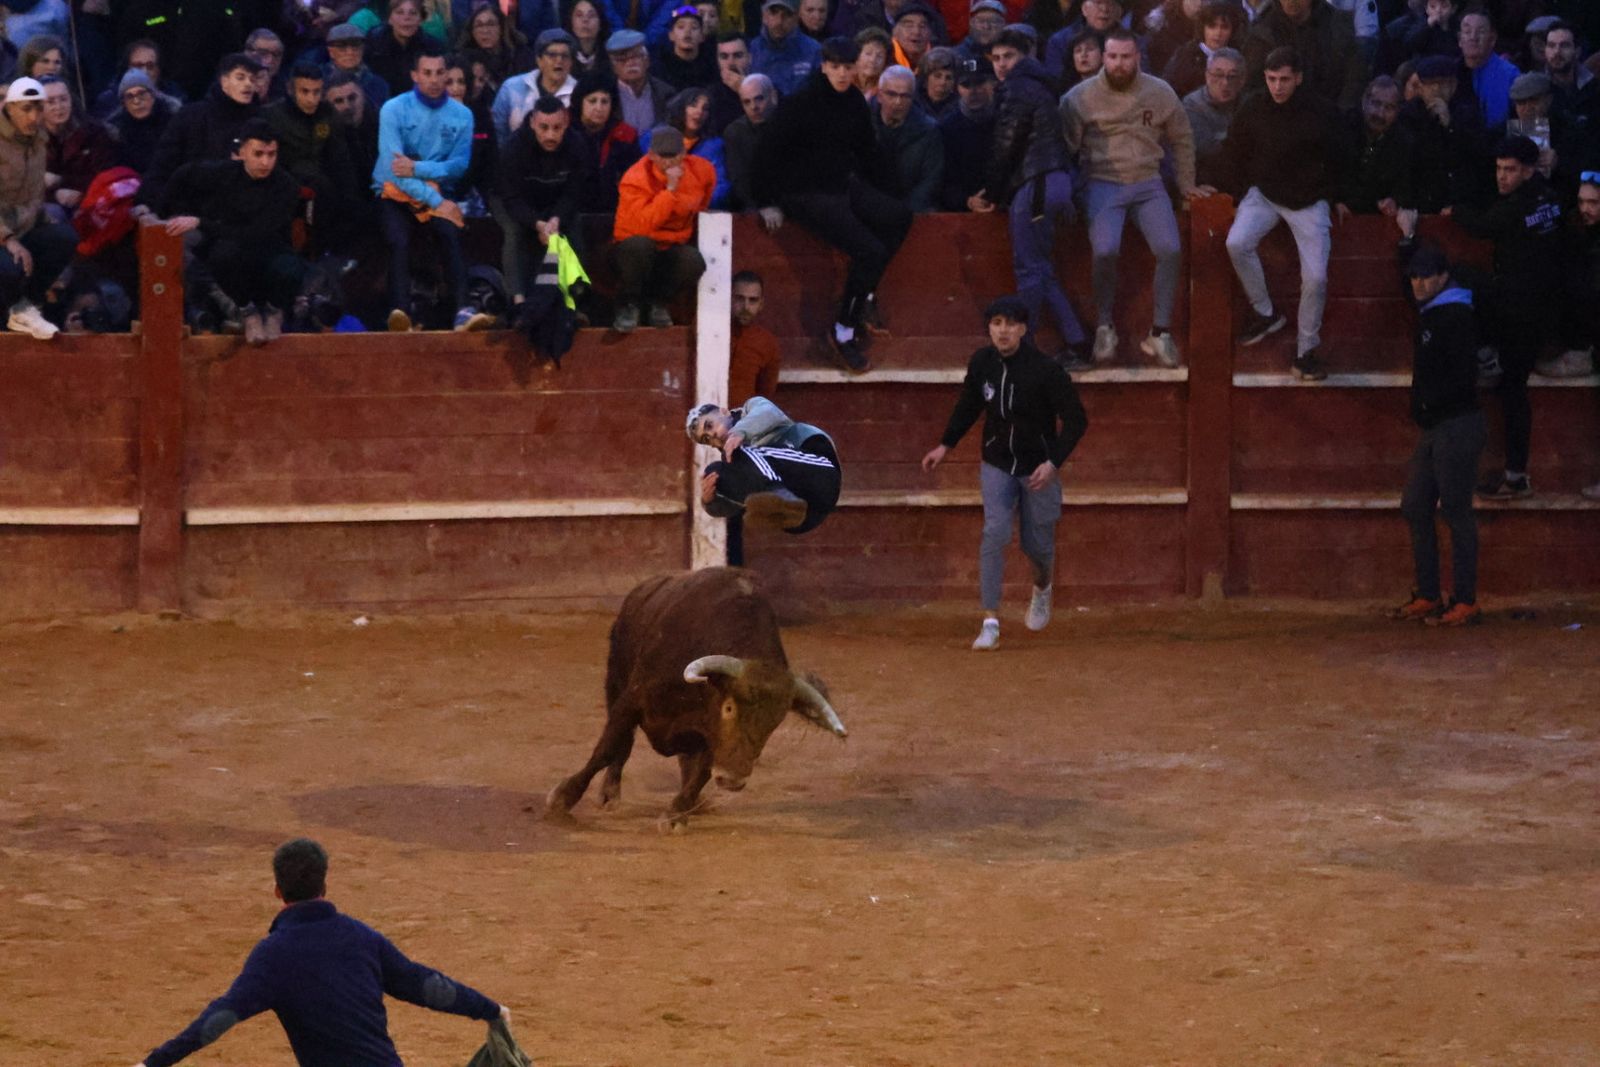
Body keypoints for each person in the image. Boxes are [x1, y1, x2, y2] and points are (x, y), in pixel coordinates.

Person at [131, 838, 508, 1067]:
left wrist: (155, 1062)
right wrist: (489, 1008)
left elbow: (220, 1019)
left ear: (277, 891)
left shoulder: (273, 957)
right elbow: (424, 985)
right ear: (325, 885)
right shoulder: (361, 938)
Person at [921, 295, 1089, 651]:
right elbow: (969, 403)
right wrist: (945, 445)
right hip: (996, 462)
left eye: (1010, 324)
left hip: (1038, 468)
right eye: (996, 323)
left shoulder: (1047, 371)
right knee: (994, 533)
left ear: (1023, 330)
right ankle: (990, 621)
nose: (1003, 331)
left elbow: (1076, 420)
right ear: (989, 328)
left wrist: (1053, 462)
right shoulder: (982, 363)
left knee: (1037, 545)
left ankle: (1042, 587)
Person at [753, 36, 912, 372]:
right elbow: (767, 153)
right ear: (824, 66)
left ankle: (864, 292)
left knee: (899, 216)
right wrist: (766, 200)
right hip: (804, 193)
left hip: (839, 184)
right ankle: (842, 331)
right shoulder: (801, 102)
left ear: (856, 68)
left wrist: (894, 193)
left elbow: (869, 152)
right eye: (835, 67)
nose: (841, 74)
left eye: (847, 67)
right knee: (869, 251)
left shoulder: (853, 100)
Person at [1060, 27, 1201, 368]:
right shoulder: (1078, 98)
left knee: (1170, 248)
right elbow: (1065, 150)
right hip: (1102, 182)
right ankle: (1105, 325)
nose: (1119, 64)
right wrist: (1071, 195)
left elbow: (1182, 139)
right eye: (1112, 57)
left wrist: (1186, 185)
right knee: (1105, 249)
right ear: (1102, 58)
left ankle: (1160, 330)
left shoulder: (1160, 91)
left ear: (1137, 56)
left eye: (1126, 57)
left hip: (1148, 182)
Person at [1448, 135, 1566, 500]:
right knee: (1514, 390)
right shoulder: (1550, 197)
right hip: (1538, 307)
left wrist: (1454, 211)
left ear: (1529, 171)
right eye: (1499, 169)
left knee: (1458, 279)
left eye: (1510, 170)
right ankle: (1516, 474)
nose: (1502, 177)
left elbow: (1482, 226)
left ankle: (1516, 476)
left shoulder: (1517, 207)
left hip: (1517, 309)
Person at [1222, 46, 1349, 382]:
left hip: (1310, 199)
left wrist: (1337, 196)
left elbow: (1340, 157)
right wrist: (1235, 193)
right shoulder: (1253, 106)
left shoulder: (1321, 112)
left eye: (1284, 79)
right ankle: (1265, 312)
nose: (1277, 87)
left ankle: (1306, 351)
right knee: (1236, 243)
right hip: (1265, 194)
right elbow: (1235, 151)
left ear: (1299, 78)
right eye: (1271, 79)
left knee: (1317, 278)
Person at [971, 27, 1088, 364]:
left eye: (1009, 56)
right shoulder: (1038, 85)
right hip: (1051, 180)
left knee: (1029, 269)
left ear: (1026, 57)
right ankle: (1077, 341)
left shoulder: (1019, 87)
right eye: (996, 58)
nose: (1002, 64)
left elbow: (1006, 144)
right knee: (1040, 267)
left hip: (1037, 181)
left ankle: (1023, 347)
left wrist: (991, 192)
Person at [1387, 243, 1485, 628]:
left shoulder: (1455, 316)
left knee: (1455, 510)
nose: (1418, 282)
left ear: (1444, 277)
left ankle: (1465, 600)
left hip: (1456, 423)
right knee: (1415, 504)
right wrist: (1406, 247)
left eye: (1426, 275)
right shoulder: (1437, 311)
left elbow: (1463, 379)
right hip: (1440, 425)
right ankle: (1429, 594)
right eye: (1414, 275)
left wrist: (1427, 407)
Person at [155, 119, 308, 344]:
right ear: (243, 151)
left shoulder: (286, 186)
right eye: (258, 154)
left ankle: (274, 311)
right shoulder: (223, 173)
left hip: (269, 250)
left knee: (291, 268)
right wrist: (161, 212)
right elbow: (184, 174)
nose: (265, 162)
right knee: (223, 256)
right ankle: (248, 313)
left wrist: (200, 222)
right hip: (232, 253)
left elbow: (258, 232)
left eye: (271, 154)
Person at [374, 45, 478, 331]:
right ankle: (400, 313)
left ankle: (463, 310)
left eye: (440, 73)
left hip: (437, 190)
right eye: (427, 73)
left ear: (448, 75)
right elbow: (394, 170)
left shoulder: (462, 115)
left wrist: (420, 169)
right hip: (393, 192)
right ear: (414, 76)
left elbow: (459, 165)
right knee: (398, 240)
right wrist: (434, 200)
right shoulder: (393, 109)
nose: (434, 79)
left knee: (450, 233)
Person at [610, 124, 713, 331]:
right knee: (640, 246)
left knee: (693, 260)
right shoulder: (635, 178)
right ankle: (629, 305)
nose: (668, 162)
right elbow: (643, 226)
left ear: (684, 152)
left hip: (671, 247)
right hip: (632, 247)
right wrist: (670, 191)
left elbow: (703, 202)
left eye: (674, 156)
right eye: (663, 156)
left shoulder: (702, 171)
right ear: (651, 155)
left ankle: (659, 304)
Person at [688, 395, 842, 534]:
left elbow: (767, 412)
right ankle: (783, 504)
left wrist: (739, 432)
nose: (712, 435)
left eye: (709, 425)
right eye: (706, 439)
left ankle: (778, 494)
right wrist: (711, 501)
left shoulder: (750, 408)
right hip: (806, 516)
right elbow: (738, 504)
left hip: (821, 475)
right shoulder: (734, 461)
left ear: (724, 412)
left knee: (741, 454)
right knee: (715, 472)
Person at [135, 52, 264, 212]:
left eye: (252, 79)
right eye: (240, 77)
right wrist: (146, 203)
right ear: (224, 81)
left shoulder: (260, 122)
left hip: (242, 211)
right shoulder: (190, 116)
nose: (248, 84)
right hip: (190, 207)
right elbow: (162, 165)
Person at [0, 78, 76, 340]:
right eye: (26, 109)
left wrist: (42, 217)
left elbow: (31, 194)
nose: (34, 117)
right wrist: (8, 239)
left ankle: (25, 307)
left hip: (21, 226)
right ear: (10, 109)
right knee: (12, 267)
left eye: (38, 109)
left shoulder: (38, 142)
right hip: (3, 232)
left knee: (63, 238)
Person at [497, 96, 591, 307]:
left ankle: (576, 296)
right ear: (532, 123)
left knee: (574, 224)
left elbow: (574, 193)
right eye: (544, 127)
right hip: (513, 199)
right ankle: (518, 299)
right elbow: (511, 198)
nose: (551, 135)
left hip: (554, 197)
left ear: (566, 122)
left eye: (557, 128)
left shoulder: (576, 145)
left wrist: (556, 219)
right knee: (514, 231)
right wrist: (537, 223)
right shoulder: (513, 148)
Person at [1339, 74, 1416, 220]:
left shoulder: (1404, 142)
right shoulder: (1343, 127)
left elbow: (1405, 186)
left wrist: (1394, 200)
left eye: (1389, 107)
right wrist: (1335, 200)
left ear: (1398, 111)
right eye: (1376, 104)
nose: (1380, 113)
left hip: (1375, 218)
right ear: (1364, 101)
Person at [40, 77, 117, 223]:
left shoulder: (94, 133)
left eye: (63, 99)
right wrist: (54, 195)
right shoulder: (31, 138)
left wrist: (65, 183)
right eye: (50, 102)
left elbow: (105, 174)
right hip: (49, 205)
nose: (59, 106)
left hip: (91, 200)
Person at [493, 28, 579, 147]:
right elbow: (498, 133)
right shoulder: (511, 87)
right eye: (552, 55)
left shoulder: (579, 93)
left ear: (571, 62)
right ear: (539, 60)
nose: (559, 60)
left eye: (565, 56)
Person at [873, 64, 943, 212]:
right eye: (891, 94)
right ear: (879, 96)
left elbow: (931, 180)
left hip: (912, 211)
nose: (898, 102)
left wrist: (903, 212)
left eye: (905, 96)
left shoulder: (929, 130)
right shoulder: (860, 123)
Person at [570, 71, 643, 213]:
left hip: (613, 211)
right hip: (569, 213)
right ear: (580, 102)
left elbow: (634, 179)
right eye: (592, 101)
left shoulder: (625, 134)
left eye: (605, 101)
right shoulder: (563, 129)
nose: (599, 108)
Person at [937, 55, 997, 211]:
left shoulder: (1007, 119)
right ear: (957, 88)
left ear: (992, 83)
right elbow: (943, 181)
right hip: (963, 211)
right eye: (966, 84)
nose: (973, 90)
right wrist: (967, 201)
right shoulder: (947, 128)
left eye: (979, 82)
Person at [1184, 46, 1243, 189]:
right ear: (1207, 76)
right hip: (1206, 178)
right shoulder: (1192, 105)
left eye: (1232, 76)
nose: (1225, 83)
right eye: (1218, 75)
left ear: (1242, 80)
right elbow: (1206, 149)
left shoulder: (1248, 104)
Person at [1160, 0, 1241, 98]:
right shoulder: (1185, 55)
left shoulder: (1238, 57)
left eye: (1224, 27)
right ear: (1203, 28)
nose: (1218, 33)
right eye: (1212, 26)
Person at [107, 69, 180, 174]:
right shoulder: (118, 133)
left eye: (142, 94)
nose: (136, 101)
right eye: (129, 97)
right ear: (124, 104)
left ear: (153, 96)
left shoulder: (173, 123)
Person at [723, 72, 777, 213]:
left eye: (759, 99)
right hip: (752, 206)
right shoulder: (735, 132)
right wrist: (763, 206)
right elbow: (739, 179)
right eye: (746, 102)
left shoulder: (791, 124)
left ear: (773, 96)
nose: (754, 107)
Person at [1456, 12, 1517, 132]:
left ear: (1492, 39)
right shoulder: (1450, 72)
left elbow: (1530, 118)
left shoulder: (1511, 74)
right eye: (1467, 32)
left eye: (1481, 32)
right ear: (1459, 40)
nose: (1473, 37)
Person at [606, 28, 675, 132]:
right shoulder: (606, 95)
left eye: (636, 56)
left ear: (647, 61)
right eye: (622, 59)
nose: (630, 63)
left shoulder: (666, 93)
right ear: (613, 67)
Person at [750, 0, 823, 96]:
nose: (779, 21)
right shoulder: (751, 49)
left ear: (797, 17)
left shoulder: (814, 50)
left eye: (787, 14)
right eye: (774, 12)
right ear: (764, 16)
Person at [1542, 21, 1599, 134]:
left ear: (1577, 52)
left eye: (1564, 45)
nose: (1557, 52)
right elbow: (1527, 143)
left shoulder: (1595, 88)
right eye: (1551, 45)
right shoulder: (1534, 90)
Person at [366, 0, 430, 98]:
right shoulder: (374, 45)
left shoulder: (431, 47)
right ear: (390, 19)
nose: (406, 18)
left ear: (420, 19)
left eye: (413, 13)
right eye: (399, 12)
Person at [324, 21, 392, 113]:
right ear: (331, 52)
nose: (350, 52)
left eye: (355, 47)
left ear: (362, 50)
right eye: (342, 48)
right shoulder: (318, 81)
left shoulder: (379, 84)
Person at [655, 4, 717, 91]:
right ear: (671, 35)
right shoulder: (659, 67)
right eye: (681, 27)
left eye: (694, 27)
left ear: (702, 37)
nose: (687, 32)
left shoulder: (713, 67)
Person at [707, 33, 752, 136]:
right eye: (724, 57)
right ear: (718, 61)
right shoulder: (710, 95)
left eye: (738, 55)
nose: (731, 62)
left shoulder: (765, 86)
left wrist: (745, 88)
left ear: (750, 58)